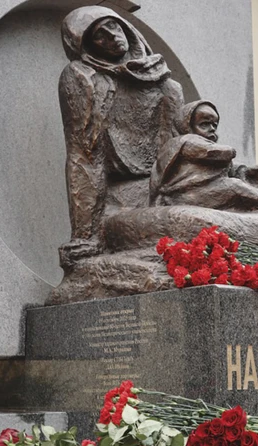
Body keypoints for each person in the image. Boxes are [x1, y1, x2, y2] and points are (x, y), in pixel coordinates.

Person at [58, 6, 184, 264]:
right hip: (120, 198)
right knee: (182, 221)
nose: (113, 37)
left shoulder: (167, 86)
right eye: (99, 36)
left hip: (166, 188)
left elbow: (180, 151)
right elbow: (84, 158)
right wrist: (85, 236)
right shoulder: (83, 78)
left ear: (127, 28)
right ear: (86, 47)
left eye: (114, 27)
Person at [150, 100, 258, 210]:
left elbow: (228, 167)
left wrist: (246, 172)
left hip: (203, 190)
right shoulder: (183, 142)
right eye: (204, 124)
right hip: (180, 196)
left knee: (232, 185)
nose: (211, 128)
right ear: (187, 126)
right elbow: (211, 152)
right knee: (232, 186)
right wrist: (229, 151)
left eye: (214, 125)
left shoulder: (204, 144)